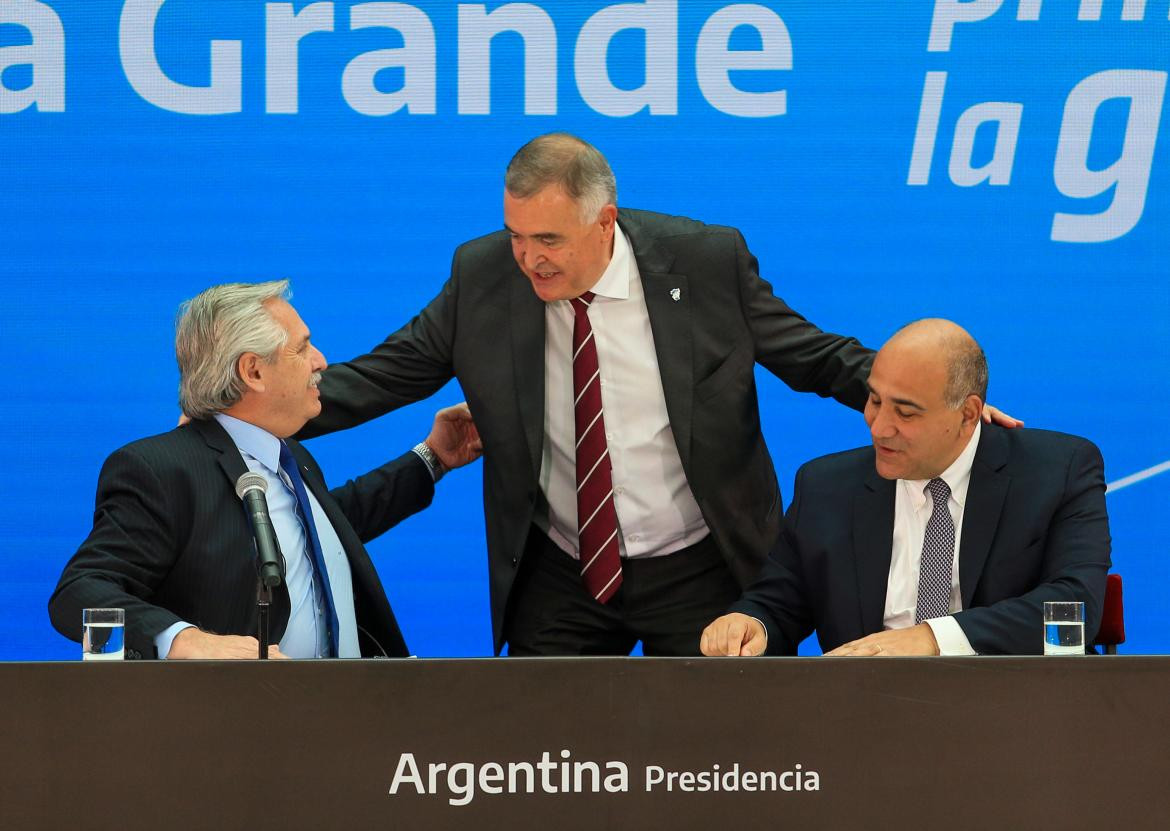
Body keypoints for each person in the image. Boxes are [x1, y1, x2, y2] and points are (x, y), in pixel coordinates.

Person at [302, 133, 1017, 656]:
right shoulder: (484, 276)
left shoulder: (704, 262)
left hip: (701, 560)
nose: (528, 258)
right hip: (561, 569)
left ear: (604, 219)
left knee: (725, 763)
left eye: (548, 238)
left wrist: (944, 406)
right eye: (516, 235)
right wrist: (259, 410)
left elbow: (814, 355)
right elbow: (383, 375)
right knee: (545, 765)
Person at [49, 281, 481, 659]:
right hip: (241, 729)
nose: (322, 361)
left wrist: (433, 457)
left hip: (344, 718)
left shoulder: (289, 454)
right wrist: (184, 640)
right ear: (253, 370)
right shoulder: (161, 469)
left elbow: (328, 531)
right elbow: (80, 591)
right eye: (302, 347)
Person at [700, 319, 1110, 658]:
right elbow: (779, 603)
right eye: (875, 401)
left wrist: (929, 638)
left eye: (906, 412)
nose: (878, 428)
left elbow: (1072, 608)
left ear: (968, 413)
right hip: (867, 715)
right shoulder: (826, 486)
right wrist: (749, 623)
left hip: (1015, 713)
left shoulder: (1056, 471)